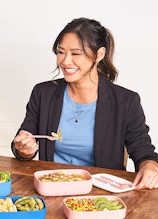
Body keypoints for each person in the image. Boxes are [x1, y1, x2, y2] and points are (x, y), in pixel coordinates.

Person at [11, 17, 158, 190]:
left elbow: (142, 148)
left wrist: (150, 165)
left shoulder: (125, 101)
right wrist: (23, 149)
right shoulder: (43, 93)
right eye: (60, 52)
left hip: (101, 192)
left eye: (76, 54)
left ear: (99, 54)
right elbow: (23, 138)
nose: (65, 61)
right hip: (51, 187)